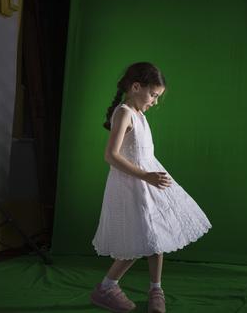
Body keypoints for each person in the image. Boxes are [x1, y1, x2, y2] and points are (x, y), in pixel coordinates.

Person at [90, 62, 211, 313]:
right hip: (132, 184)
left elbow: (142, 153)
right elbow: (111, 156)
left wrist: (152, 177)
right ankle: (107, 287)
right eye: (153, 95)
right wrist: (147, 176)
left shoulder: (140, 115)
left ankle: (156, 289)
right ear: (136, 87)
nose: (155, 101)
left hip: (147, 183)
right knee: (142, 239)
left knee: (158, 235)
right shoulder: (124, 113)